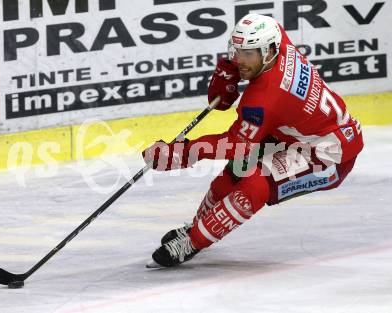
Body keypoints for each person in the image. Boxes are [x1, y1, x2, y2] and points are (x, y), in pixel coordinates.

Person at [142, 14, 364, 268]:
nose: (241, 60)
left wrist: (184, 152)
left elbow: (235, 143)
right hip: (296, 134)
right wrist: (230, 69)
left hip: (330, 155)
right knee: (236, 171)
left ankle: (193, 242)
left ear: (268, 51)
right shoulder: (278, 39)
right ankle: (198, 226)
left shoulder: (264, 97)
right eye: (238, 51)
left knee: (255, 184)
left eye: (249, 54)